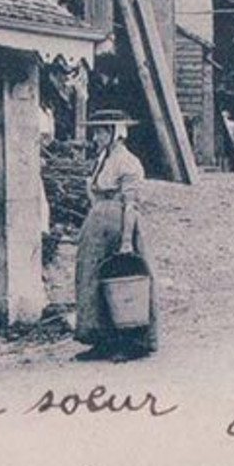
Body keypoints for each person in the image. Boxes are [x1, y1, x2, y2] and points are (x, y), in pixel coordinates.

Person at [74, 110, 158, 361]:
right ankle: (102, 339)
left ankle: (131, 341)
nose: (96, 136)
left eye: (102, 131)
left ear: (115, 133)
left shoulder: (127, 162)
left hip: (118, 224)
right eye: (96, 131)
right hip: (97, 226)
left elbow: (131, 203)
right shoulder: (103, 159)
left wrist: (125, 239)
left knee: (123, 280)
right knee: (92, 278)